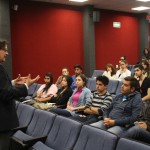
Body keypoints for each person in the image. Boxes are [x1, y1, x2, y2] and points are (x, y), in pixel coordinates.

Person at [0, 40, 40, 150]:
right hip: (3, 122)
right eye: (5, 50)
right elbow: (6, 93)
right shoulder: (0, 69)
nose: (7, 53)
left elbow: (1, 89)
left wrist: (12, 82)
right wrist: (26, 86)